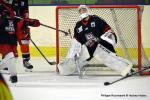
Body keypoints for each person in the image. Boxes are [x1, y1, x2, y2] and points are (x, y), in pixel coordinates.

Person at [58, 5, 133, 76]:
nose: (82, 12)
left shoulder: (96, 19)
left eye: (84, 9)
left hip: (100, 45)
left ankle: (126, 68)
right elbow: (76, 40)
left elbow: (108, 30)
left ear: (88, 10)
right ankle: (65, 69)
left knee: (107, 58)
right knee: (76, 58)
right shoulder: (78, 25)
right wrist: (75, 49)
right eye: (80, 11)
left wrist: (109, 38)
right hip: (88, 47)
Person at [0, 0, 40, 83]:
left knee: (13, 58)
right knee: (9, 56)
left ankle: (24, 62)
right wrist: (3, 15)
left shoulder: (13, 7)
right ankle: (13, 74)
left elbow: (21, 20)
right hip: (2, 36)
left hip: (12, 33)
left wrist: (32, 22)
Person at [11, 0, 34, 71]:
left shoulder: (24, 0)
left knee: (24, 42)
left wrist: (26, 20)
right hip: (10, 23)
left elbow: (25, 10)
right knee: (9, 43)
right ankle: (6, 62)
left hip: (21, 24)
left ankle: (26, 61)